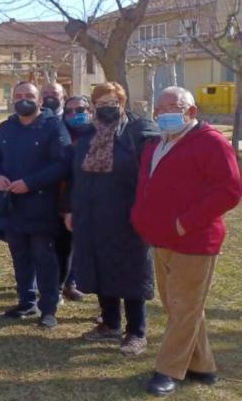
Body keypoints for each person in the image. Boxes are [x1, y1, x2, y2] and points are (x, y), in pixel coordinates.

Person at [131, 87, 242, 397]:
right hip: (160, 238)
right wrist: (142, 219)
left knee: (183, 307)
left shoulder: (211, 143)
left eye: (174, 106)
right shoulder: (156, 144)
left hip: (195, 240)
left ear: (191, 111)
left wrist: (184, 223)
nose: (166, 111)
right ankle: (203, 365)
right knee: (181, 307)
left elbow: (229, 191)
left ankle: (168, 370)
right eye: (161, 106)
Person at [68, 83, 159, 356]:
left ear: (122, 102)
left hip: (127, 215)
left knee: (131, 271)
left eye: (112, 101)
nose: (107, 106)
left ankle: (136, 332)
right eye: (101, 101)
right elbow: (76, 176)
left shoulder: (139, 132)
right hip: (91, 214)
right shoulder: (87, 135)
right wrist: (71, 209)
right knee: (99, 267)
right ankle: (110, 323)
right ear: (94, 105)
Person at [0, 81, 71, 330]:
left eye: (29, 96)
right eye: (18, 95)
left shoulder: (54, 126)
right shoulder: (5, 127)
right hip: (11, 204)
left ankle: (49, 309)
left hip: (41, 204)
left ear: (40, 101)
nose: (24, 99)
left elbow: (62, 164)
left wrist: (31, 183)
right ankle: (26, 301)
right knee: (19, 255)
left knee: (44, 257)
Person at [58, 95, 91, 302]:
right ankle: (60, 286)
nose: (74, 115)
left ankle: (73, 282)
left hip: (91, 200)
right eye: (68, 111)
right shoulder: (60, 134)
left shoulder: (99, 135)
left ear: (90, 111)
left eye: (79, 110)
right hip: (64, 199)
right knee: (65, 246)